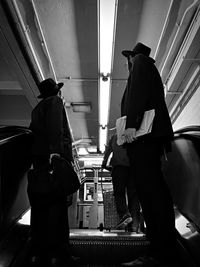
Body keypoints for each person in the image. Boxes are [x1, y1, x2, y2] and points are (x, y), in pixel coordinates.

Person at [120, 43, 179, 266]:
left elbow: (137, 95)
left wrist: (132, 125)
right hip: (151, 140)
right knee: (154, 193)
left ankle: (159, 252)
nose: (127, 63)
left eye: (128, 59)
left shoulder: (140, 63)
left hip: (145, 139)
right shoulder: (148, 67)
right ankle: (161, 247)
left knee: (151, 193)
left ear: (132, 57)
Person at [28, 78, 78, 267]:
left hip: (40, 165)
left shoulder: (37, 109)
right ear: (57, 92)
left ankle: (38, 255)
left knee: (41, 210)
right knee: (58, 210)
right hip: (53, 162)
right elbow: (56, 127)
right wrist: (55, 153)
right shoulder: (55, 102)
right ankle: (59, 255)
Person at [102, 133, 142, 233]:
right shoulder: (134, 134)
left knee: (119, 193)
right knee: (133, 196)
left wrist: (104, 163)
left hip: (118, 167)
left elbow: (108, 150)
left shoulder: (115, 136)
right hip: (133, 168)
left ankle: (125, 214)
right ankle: (134, 226)